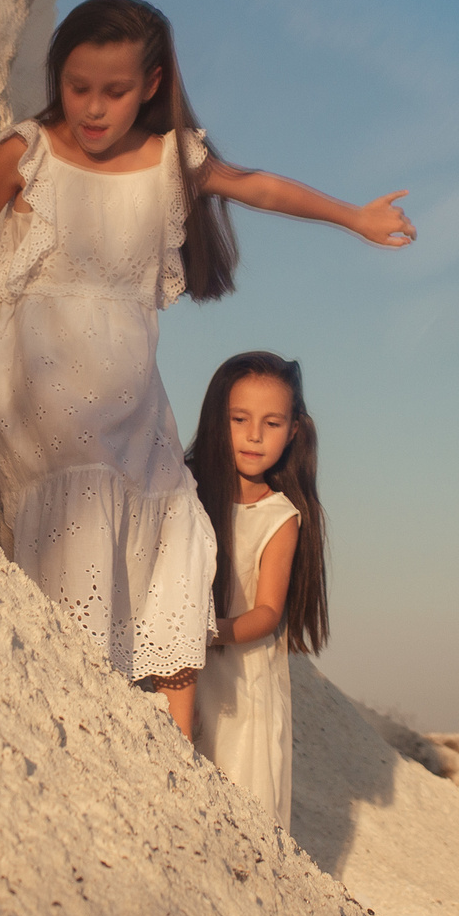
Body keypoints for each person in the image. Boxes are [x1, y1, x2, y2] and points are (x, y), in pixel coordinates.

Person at [0, 0, 410, 739]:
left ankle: (175, 753)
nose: (92, 107)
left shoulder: (169, 160)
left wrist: (355, 217)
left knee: (176, 516)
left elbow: (259, 186)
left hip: (128, 377)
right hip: (42, 364)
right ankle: (73, 706)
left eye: (114, 90)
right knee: (88, 497)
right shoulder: (29, 153)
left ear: (151, 84)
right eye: (78, 86)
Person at [186, 352, 327, 828]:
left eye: (271, 422)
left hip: (245, 685)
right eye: (239, 418)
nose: (253, 435)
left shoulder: (280, 516)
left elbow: (267, 611)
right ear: (214, 419)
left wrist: (209, 632)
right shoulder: (183, 490)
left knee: (241, 809)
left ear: (293, 432)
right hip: (186, 666)